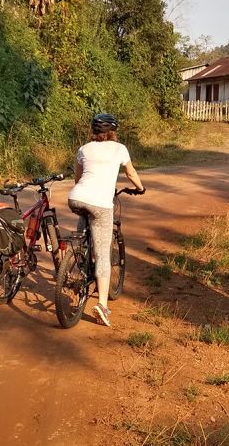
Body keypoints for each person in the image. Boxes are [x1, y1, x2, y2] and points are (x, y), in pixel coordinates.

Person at [67, 112, 145, 327]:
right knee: (103, 254)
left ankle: (79, 254)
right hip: (101, 203)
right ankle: (102, 304)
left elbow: (78, 177)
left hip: (76, 198)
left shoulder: (83, 148)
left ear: (93, 131)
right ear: (113, 131)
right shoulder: (120, 149)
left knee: (85, 219)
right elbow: (130, 173)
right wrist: (140, 188)